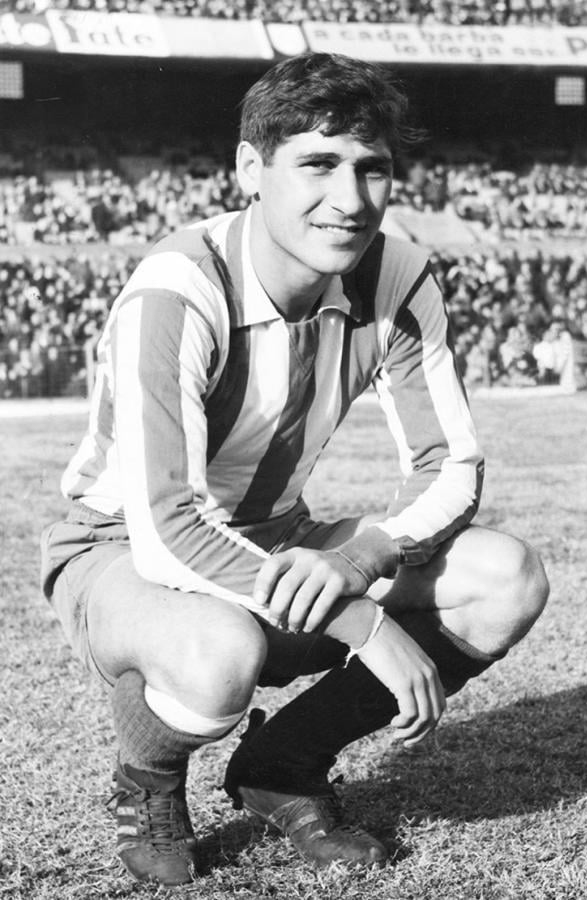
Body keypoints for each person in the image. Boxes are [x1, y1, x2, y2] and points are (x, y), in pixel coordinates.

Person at [40, 52, 549, 887]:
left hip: (274, 536)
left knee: (509, 578)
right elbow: (168, 528)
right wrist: (363, 621)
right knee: (218, 656)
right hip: (122, 550)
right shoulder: (178, 290)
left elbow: (451, 465)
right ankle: (151, 777)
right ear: (250, 167)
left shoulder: (397, 270)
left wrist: (355, 560)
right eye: (317, 164)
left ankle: (283, 764)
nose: (349, 202)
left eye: (371, 169)